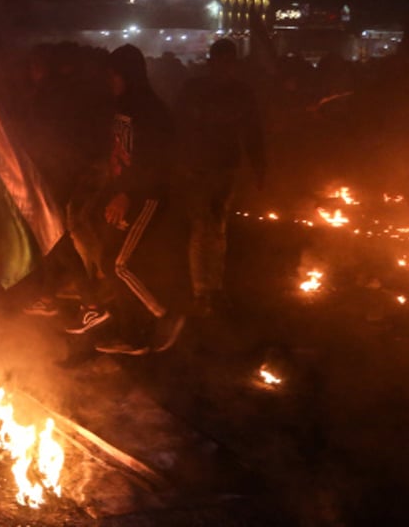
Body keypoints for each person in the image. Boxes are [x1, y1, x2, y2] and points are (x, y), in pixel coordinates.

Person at [64, 44, 183, 356]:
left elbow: (155, 161)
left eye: (114, 75)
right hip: (125, 193)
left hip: (146, 197)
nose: (110, 81)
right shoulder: (123, 106)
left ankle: (165, 315)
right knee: (110, 260)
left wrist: (126, 195)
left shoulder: (151, 110)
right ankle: (132, 332)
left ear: (128, 74)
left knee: (119, 265)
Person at [176, 38, 266, 317]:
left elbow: (253, 132)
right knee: (202, 228)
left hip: (226, 169)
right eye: (220, 62)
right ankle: (201, 291)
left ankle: (214, 288)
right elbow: (179, 127)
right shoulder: (193, 90)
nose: (224, 68)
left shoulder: (242, 93)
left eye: (229, 63)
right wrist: (180, 163)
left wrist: (259, 166)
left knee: (218, 228)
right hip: (197, 169)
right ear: (211, 62)